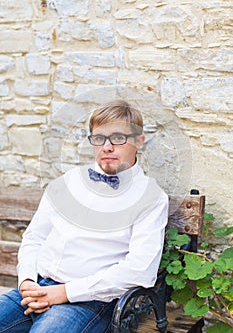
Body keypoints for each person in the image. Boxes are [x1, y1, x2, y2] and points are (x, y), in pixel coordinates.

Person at [0, 100, 168, 333]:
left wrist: (64, 292)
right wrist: (27, 281)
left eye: (118, 138)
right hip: (36, 288)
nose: (107, 147)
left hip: (88, 301)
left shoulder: (151, 197)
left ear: (139, 141)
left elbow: (140, 270)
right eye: (99, 138)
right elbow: (34, 237)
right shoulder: (68, 181)